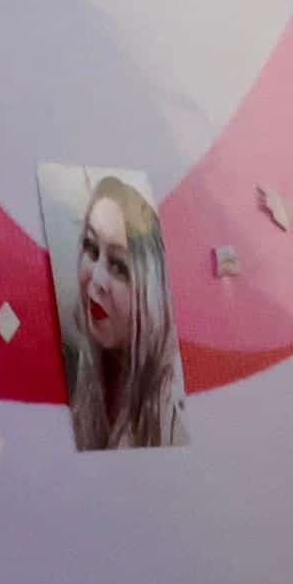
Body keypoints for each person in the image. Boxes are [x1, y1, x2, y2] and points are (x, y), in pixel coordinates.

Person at [62, 173, 186, 450]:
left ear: (151, 290)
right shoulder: (85, 376)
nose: (96, 281)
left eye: (119, 266)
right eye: (91, 249)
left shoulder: (172, 412)